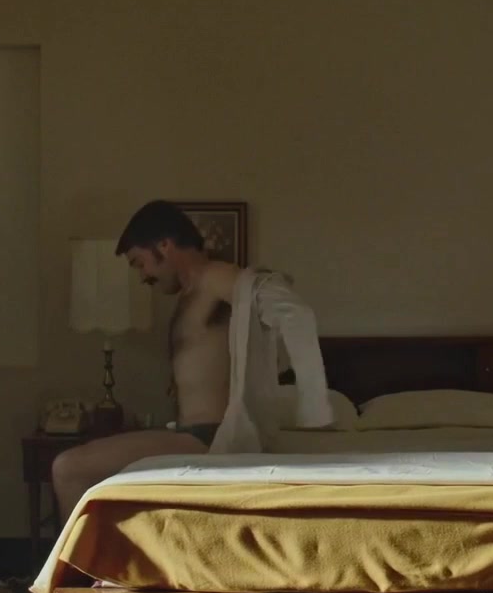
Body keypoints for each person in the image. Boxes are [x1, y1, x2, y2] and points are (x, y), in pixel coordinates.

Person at [50, 200, 335, 519]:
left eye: (140, 263)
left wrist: (313, 407)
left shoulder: (216, 278)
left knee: (68, 468)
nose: (143, 276)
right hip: (189, 433)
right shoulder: (192, 292)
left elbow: (294, 312)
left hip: (207, 438)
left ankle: (80, 555)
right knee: (83, 473)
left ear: (164, 245)